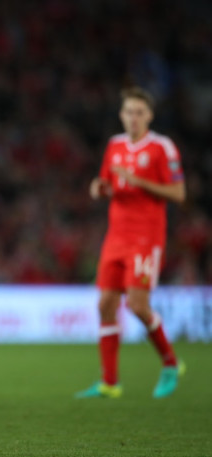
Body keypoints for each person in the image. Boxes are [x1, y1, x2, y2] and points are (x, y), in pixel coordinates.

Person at [76, 87, 186, 399]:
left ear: (149, 116)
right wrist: (98, 188)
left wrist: (138, 181)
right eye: (129, 112)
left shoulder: (162, 147)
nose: (133, 118)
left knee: (138, 305)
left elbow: (179, 194)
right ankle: (110, 383)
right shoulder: (114, 145)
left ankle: (171, 362)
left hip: (145, 238)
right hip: (116, 237)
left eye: (140, 112)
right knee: (105, 305)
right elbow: (107, 184)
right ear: (121, 115)